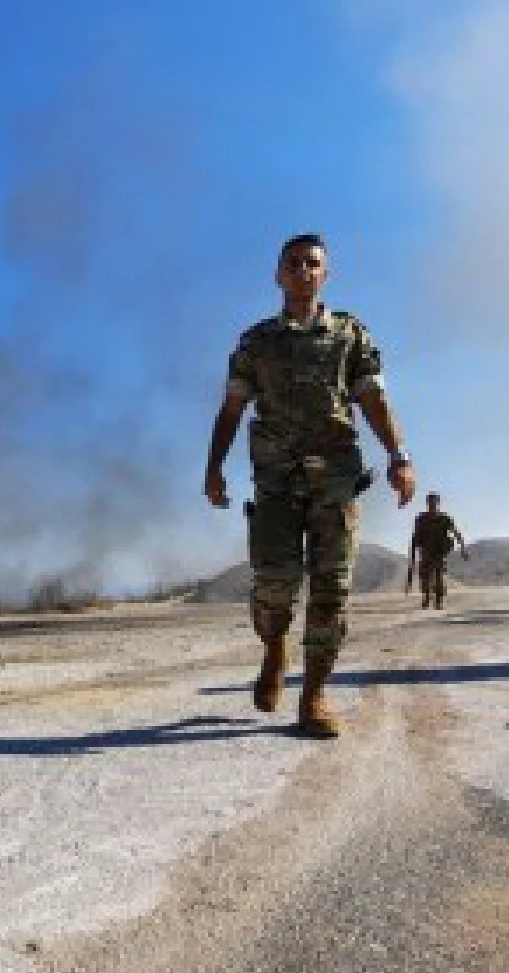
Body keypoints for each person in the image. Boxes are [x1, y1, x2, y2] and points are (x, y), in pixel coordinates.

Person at [204, 233, 416, 736]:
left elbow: (374, 402)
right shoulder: (257, 343)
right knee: (274, 586)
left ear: (327, 274)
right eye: (293, 264)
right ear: (278, 275)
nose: (303, 270)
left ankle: (316, 696)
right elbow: (231, 409)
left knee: (331, 591)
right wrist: (213, 468)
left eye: (312, 263)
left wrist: (399, 456)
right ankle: (275, 648)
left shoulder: (350, 336)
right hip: (276, 482)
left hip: (336, 481)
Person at [408, 493, 469, 609]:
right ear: (427, 504)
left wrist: (463, 549)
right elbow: (415, 536)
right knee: (425, 577)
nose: (432, 505)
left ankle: (439, 601)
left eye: (434, 503)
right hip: (426, 552)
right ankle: (426, 598)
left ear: (438, 504)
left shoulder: (445, 519)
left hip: (440, 553)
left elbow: (457, 533)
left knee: (439, 577)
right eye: (430, 503)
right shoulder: (421, 519)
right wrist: (412, 554)